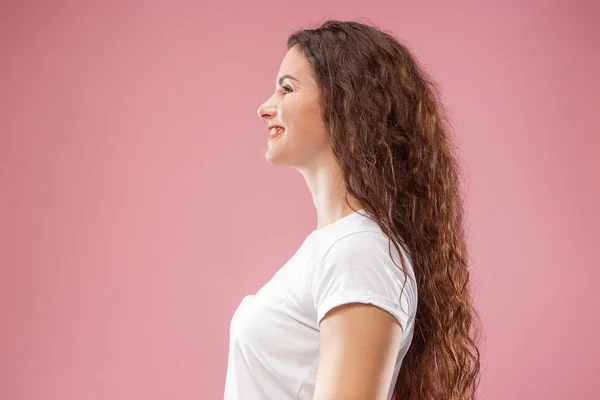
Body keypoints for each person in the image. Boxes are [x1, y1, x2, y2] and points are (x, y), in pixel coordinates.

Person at [223, 20, 482, 400]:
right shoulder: (340, 246)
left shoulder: (358, 251)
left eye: (287, 89)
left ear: (345, 102)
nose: (266, 107)